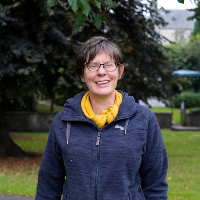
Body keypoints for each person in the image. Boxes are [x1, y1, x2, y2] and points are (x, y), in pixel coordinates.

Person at [35, 36, 168, 200]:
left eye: (109, 65)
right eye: (92, 66)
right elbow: (48, 185)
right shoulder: (63, 121)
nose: (101, 72)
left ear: (120, 72)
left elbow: (156, 185)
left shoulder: (144, 120)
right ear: (82, 75)